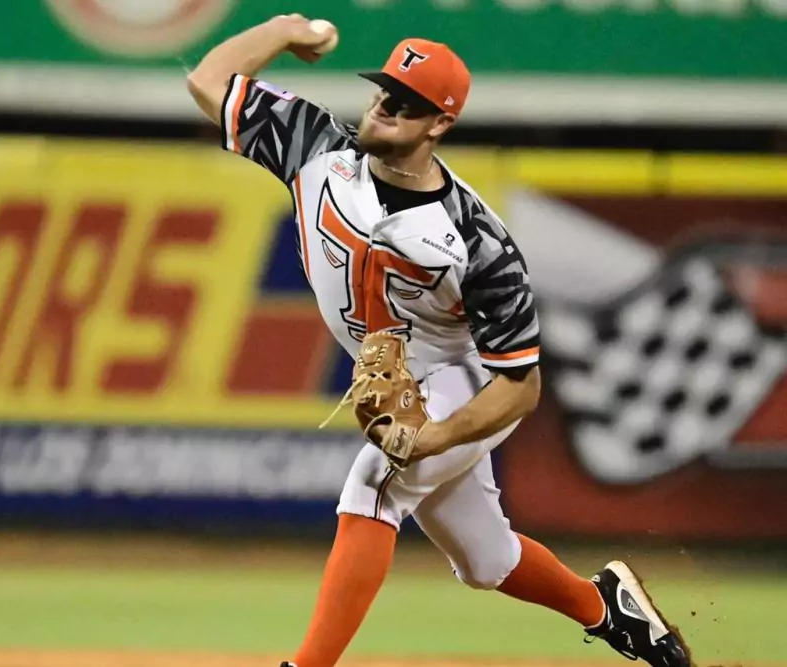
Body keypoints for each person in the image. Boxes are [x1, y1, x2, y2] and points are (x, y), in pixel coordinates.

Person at [186, 14, 692, 667]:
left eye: (408, 102)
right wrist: (285, 30)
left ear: (439, 124)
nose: (386, 105)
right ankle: (608, 608)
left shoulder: (478, 242)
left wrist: (438, 435)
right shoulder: (315, 150)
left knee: (376, 484)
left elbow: (521, 386)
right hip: (406, 378)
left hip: (467, 377)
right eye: (384, 90)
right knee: (486, 560)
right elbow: (209, 80)